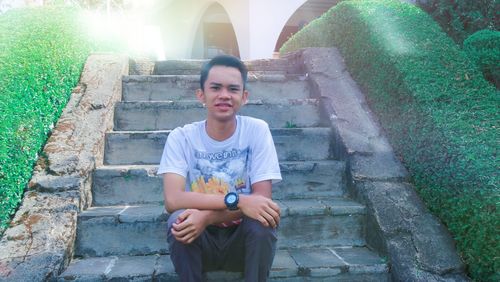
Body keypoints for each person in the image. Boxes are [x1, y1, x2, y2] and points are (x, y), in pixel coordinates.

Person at [157, 54, 282, 282]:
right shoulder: (181, 137)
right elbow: (173, 200)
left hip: (241, 240)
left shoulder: (257, 130)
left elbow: (262, 201)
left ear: (244, 97)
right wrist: (240, 201)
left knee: (263, 220)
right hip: (199, 239)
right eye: (215, 88)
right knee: (178, 218)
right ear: (201, 95)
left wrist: (206, 218)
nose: (224, 95)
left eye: (233, 89)